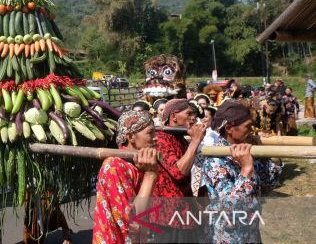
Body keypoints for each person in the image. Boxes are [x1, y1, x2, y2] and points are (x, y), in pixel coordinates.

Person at [201, 100, 282, 243]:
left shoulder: (245, 151)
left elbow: (270, 182)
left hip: (250, 233)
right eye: (248, 127)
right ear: (229, 128)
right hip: (227, 236)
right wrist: (246, 170)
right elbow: (230, 209)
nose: (251, 131)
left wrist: (272, 154)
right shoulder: (215, 161)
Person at [92, 110, 159, 244]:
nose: (156, 137)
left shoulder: (139, 163)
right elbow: (133, 221)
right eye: (150, 132)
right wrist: (150, 175)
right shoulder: (114, 166)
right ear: (131, 137)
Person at [151, 99, 206, 241]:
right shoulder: (161, 139)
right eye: (189, 113)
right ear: (174, 116)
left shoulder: (180, 138)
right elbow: (179, 172)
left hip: (185, 213)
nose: (193, 118)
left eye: (194, 114)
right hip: (168, 218)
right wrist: (195, 141)